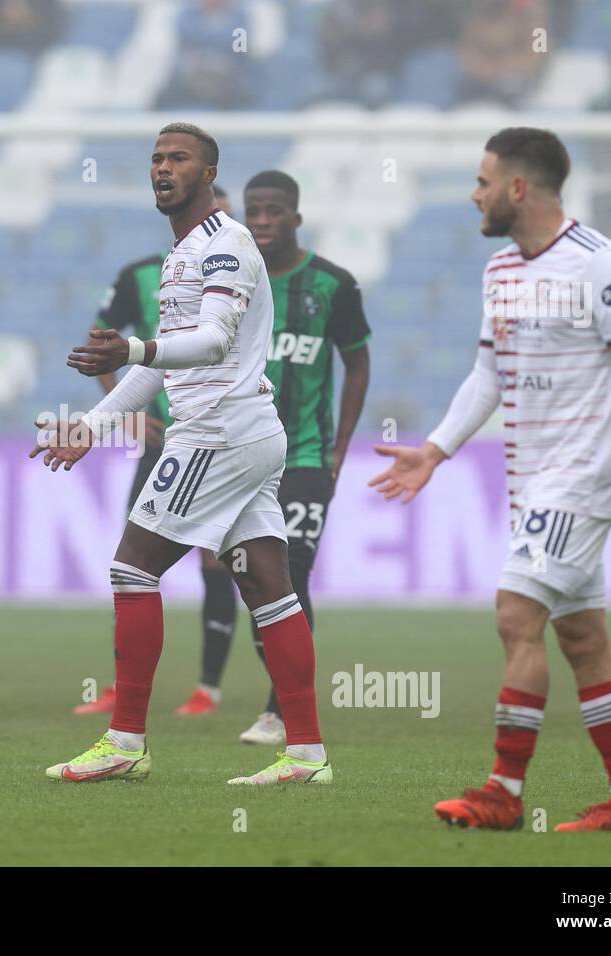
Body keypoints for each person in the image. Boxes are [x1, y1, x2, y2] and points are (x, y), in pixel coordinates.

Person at [369, 127, 611, 831]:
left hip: (582, 475)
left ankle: (502, 793)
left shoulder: (603, 265)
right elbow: (488, 376)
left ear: (517, 187)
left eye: (482, 181)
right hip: (530, 481)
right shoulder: (501, 271)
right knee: (583, 639)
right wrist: (437, 450)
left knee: (516, 614)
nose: (473, 195)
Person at [33, 123, 330, 786]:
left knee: (133, 569)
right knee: (268, 588)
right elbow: (166, 363)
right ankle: (307, 753)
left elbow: (215, 341)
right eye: (157, 159)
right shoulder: (183, 252)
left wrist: (134, 349)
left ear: (208, 172)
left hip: (217, 433)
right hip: (249, 432)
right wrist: (92, 425)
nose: (163, 169)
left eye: (179, 159)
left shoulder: (225, 245)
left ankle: (125, 742)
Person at [75, 185, 240, 719]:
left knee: (219, 560)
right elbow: (100, 342)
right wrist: (120, 415)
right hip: (166, 439)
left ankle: (207, 689)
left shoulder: (240, 267)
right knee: (134, 562)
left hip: (224, 435)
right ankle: (126, 688)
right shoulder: (148, 273)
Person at [227, 170, 371, 745]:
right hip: (242, 456)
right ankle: (285, 701)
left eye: (274, 211)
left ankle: (281, 710)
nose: (262, 220)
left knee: (291, 574)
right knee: (256, 579)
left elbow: (357, 363)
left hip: (307, 455)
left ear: (296, 217)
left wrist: (339, 451)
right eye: (253, 210)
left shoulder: (333, 286)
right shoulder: (231, 283)